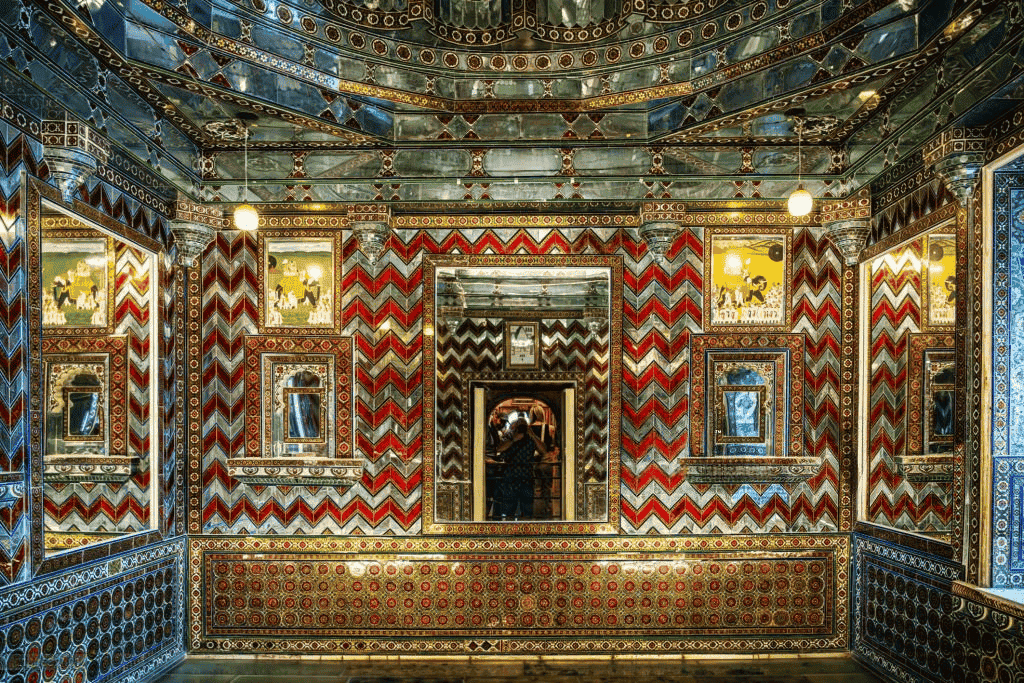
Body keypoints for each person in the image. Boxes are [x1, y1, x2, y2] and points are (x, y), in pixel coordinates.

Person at [495, 418, 547, 520]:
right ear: (515, 427)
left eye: (524, 426)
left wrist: (533, 435)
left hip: (526, 477)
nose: (522, 428)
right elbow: (499, 448)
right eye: (519, 426)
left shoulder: (531, 438)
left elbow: (544, 450)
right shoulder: (509, 436)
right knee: (509, 509)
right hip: (511, 478)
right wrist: (514, 439)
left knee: (527, 510)